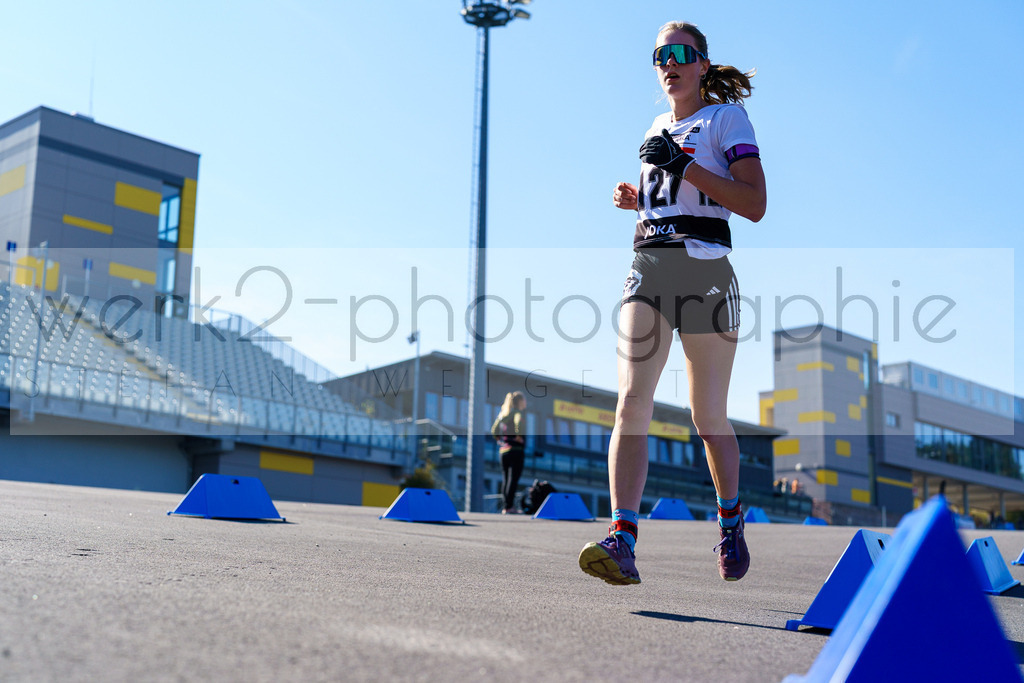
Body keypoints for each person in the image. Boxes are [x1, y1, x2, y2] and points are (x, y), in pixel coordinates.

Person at [578, 21, 766, 585]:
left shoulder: (726, 119)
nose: (670, 62)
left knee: (706, 418)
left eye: (683, 53)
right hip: (649, 266)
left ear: (703, 64)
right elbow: (675, 200)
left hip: (706, 273)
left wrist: (682, 166)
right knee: (632, 401)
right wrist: (637, 199)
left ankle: (730, 521)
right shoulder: (657, 124)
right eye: (661, 54)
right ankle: (623, 538)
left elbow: (753, 204)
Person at [491, 391, 527, 514]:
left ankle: (506, 506)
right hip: (515, 450)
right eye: (524, 400)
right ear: (520, 402)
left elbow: (494, 429)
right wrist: (518, 435)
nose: (525, 402)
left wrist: (498, 438)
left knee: (505, 479)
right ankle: (510, 507)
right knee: (513, 479)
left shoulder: (504, 414)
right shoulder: (517, 413)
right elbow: (518, 423)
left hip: (503, 451)